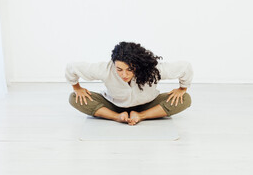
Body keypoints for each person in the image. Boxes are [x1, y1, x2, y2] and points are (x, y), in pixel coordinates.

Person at [65, 41, 193, 126]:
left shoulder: (153, 70)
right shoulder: (105, 69)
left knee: (185, 99)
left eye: (130, 70)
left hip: (148, 104)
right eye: (119, 69)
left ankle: (141, 116)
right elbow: (72, 67)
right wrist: (77, 87)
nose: (124, 75)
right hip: (114, 105)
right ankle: (117, 117)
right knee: (74, 97)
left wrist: (182, 88)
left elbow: (185, 67)